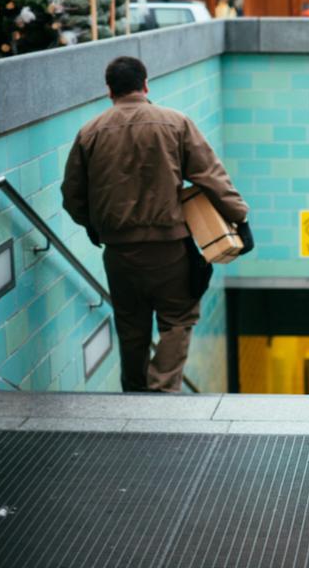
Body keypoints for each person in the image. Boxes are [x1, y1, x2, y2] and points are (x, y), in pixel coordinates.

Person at [62, 56, 249, 392]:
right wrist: (239, 218)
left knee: (131, 325)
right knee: (178, 319)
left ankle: (133, 391)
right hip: (170, 249)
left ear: (109, 90)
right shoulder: (175, 123)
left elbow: (72, 193)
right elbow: (210, 176)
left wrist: (91, 224)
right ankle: (162, 390)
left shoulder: (89, 132)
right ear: (145, 84)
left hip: (119, 251)